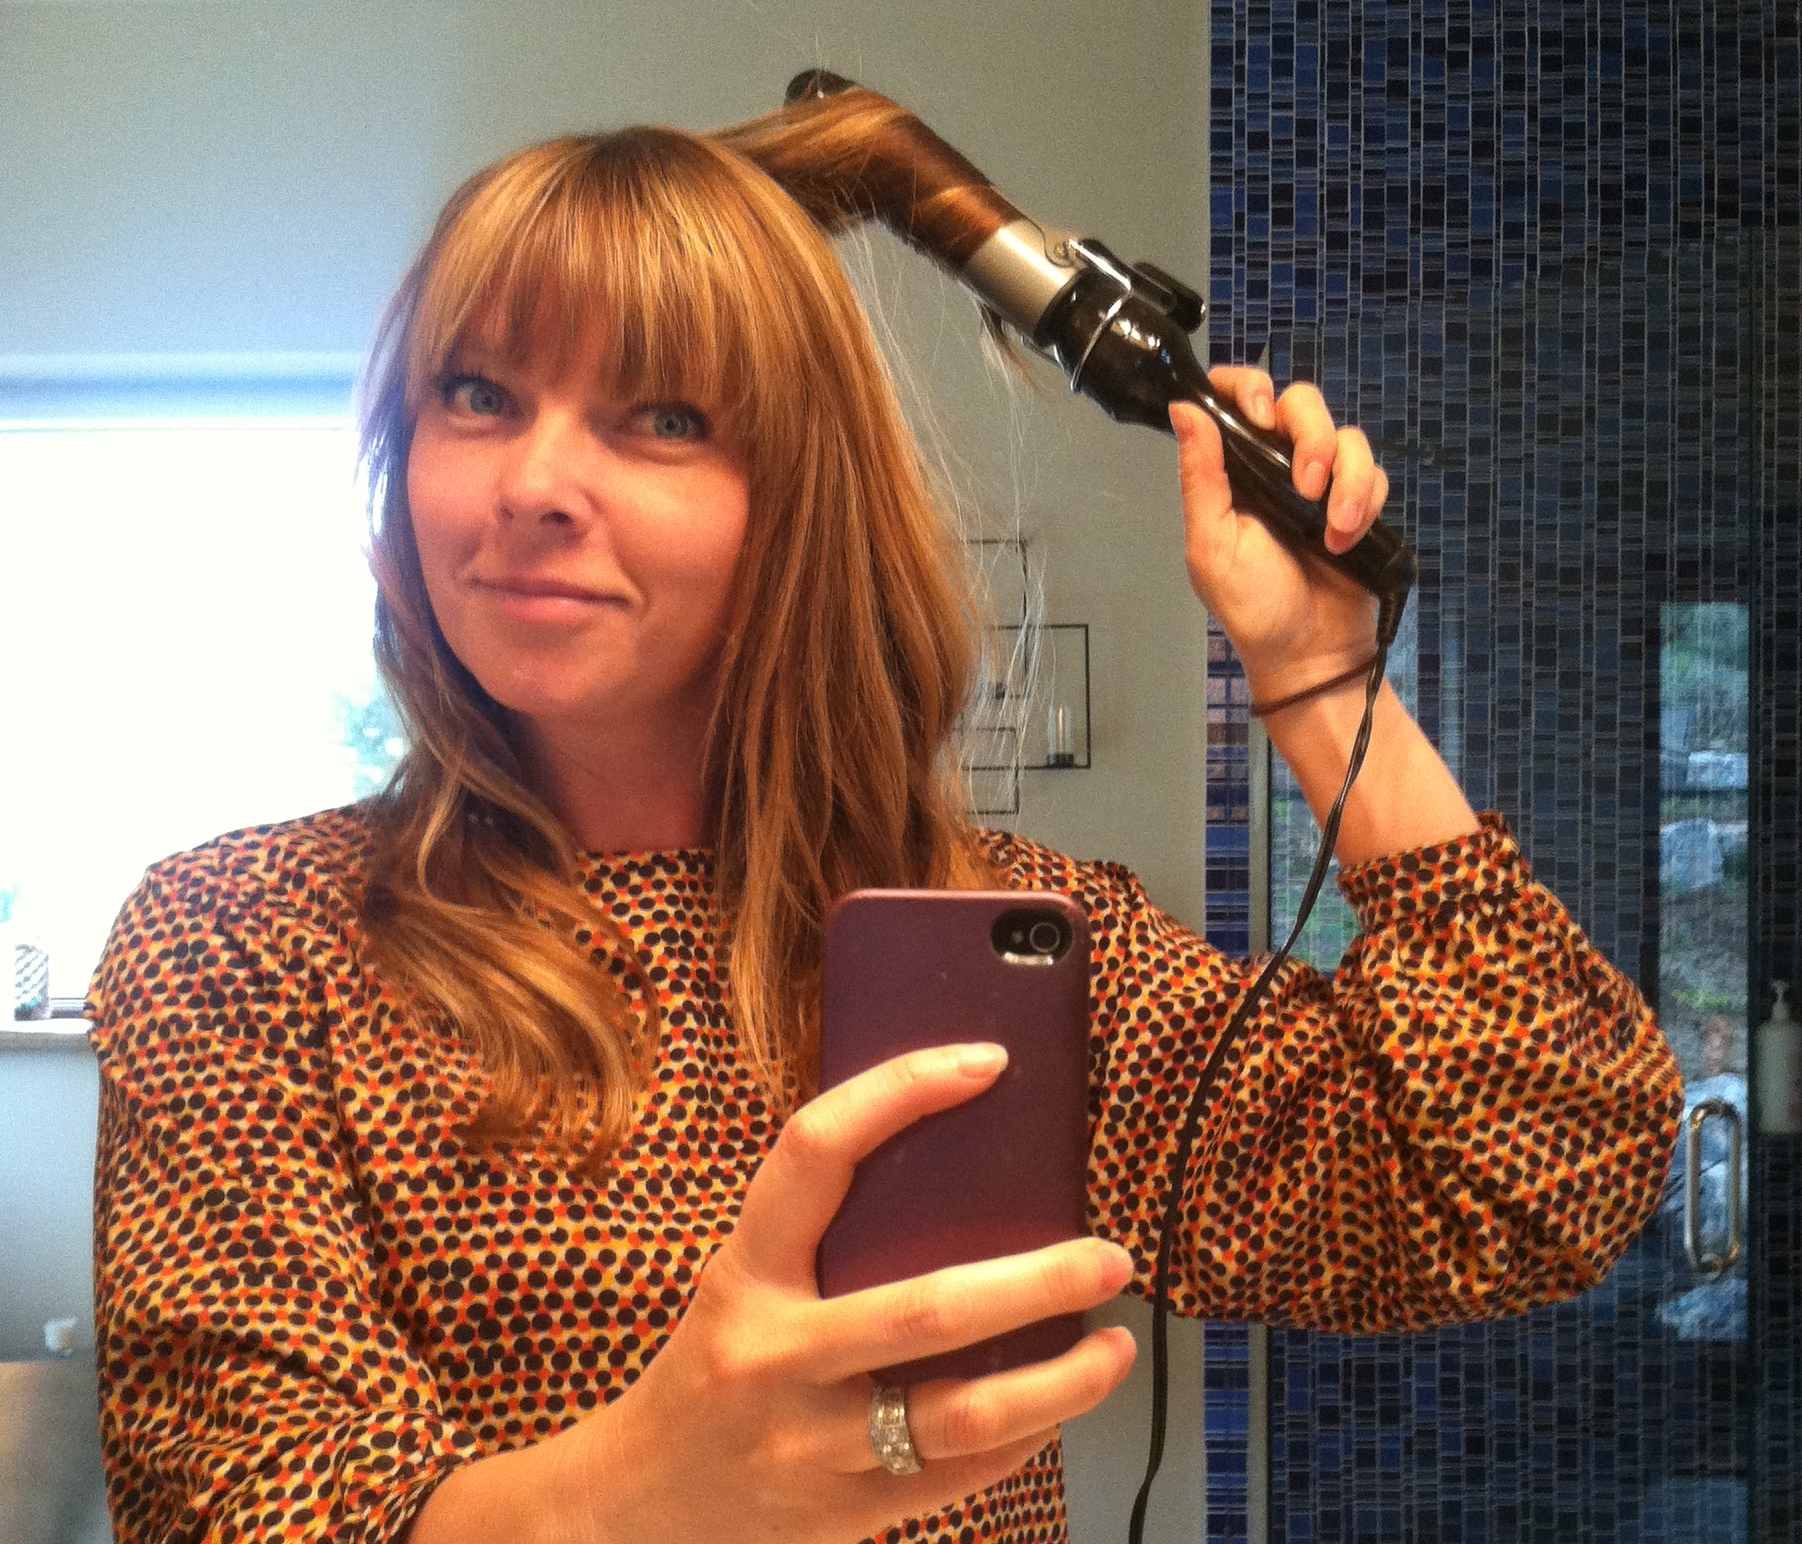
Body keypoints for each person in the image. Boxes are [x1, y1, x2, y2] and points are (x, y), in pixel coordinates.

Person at [87, 99, 1683, 1544]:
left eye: (662, 417)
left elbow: (1530, 1177)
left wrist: (1320, 676)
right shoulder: (244, 940)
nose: (534, 483)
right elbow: (236, 1504)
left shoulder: (1017, 958)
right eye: (478, 395)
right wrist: (645, 1493)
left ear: (798, 506)